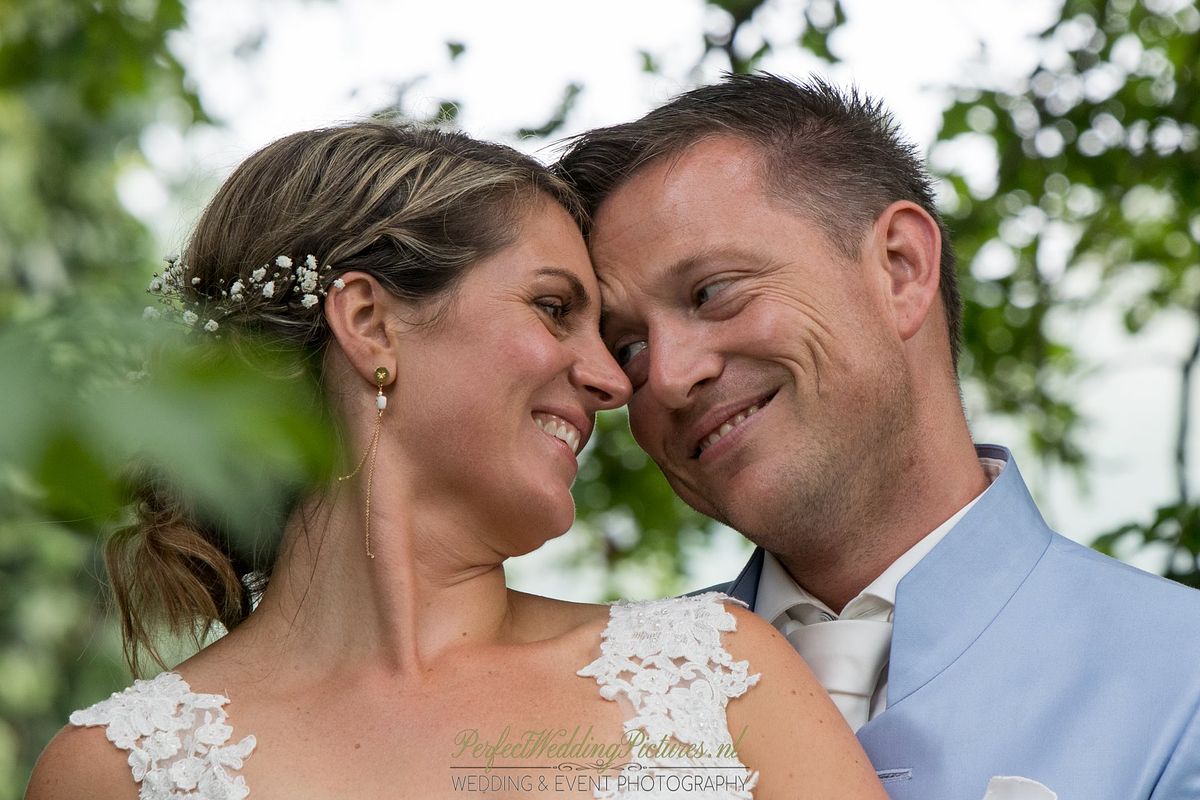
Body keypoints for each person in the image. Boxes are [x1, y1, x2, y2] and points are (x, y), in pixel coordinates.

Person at [25, 122, 887, 800]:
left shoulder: (715, 677)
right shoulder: (116, 772)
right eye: (554, 308)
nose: (610, 382)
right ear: (371, 325)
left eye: (606, 339)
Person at [553, 73, 1200, 799]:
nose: (669, 377)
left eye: (712, 291)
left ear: (900, 269)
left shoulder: (1184, 683)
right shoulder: (577, 703)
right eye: (629, 347)